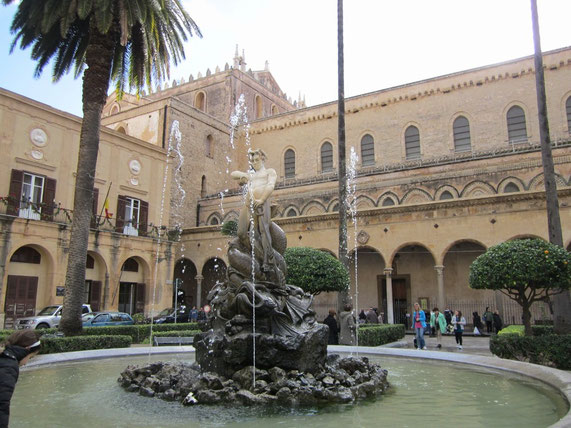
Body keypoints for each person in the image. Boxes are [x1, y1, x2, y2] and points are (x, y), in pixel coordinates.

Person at [231, 148, 277, 273]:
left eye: (257, 160)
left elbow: (271, 185)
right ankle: (256, 254)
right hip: (249, 204)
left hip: (261, 203)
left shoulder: (269, 172)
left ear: (262, 159)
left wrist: (261, 199)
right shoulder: (250, 175)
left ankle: (269, 261)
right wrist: (244, 175)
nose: (254, 163)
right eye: (252, 161)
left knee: (263, 230)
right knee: (241, 232)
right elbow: (232, 174)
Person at [0, 330, 41, 427]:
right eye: (30, 357)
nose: (26, 363)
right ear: (27, 349)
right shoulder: (9, 366)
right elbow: (1, 405)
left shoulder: (3, 356)